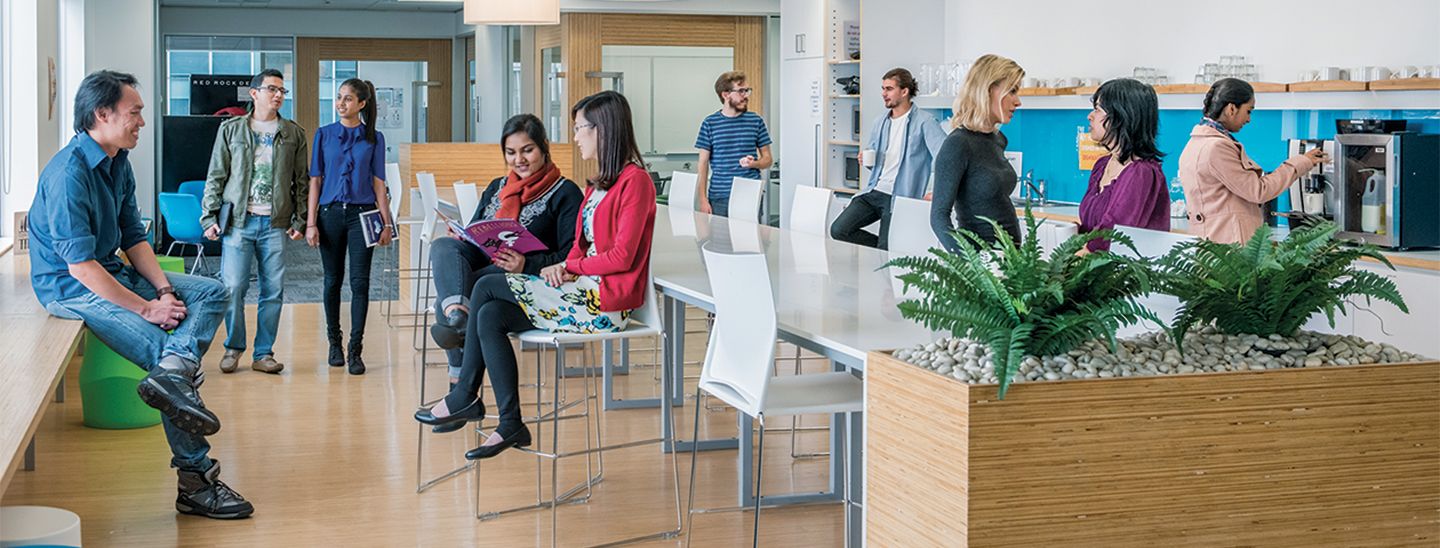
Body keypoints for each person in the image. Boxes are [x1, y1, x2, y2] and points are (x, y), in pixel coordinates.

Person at [27, 70, 251, 519]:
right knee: (163, 360)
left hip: (109, 270)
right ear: (102, 114)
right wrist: (149, 308)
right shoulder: (69, 173)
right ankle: (196, 483)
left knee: (211, 293)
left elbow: (133, 237)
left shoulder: (118, 162)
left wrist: (164, 289)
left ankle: (175, 370)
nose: (142, 122)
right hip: (70, 288)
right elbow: (80, 267)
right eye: (135, 113)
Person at [414, 90, 657, 461]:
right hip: (579, 289)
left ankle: (464, 392)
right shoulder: (599, 184)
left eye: (579, 128)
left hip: (603, 302)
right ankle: (510, 422)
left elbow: (621, 256)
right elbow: (581, 246)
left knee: (487, 286)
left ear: (602, 129)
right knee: (489, 314)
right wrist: (569, 265)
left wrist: (567, 267)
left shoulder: (635, 181)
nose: (575, 137)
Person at [426, 114, 583, 434]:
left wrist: (526, 264)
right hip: (487, 268)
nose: (519, 159)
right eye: (511, 152)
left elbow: (570, 257)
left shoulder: (565, 192)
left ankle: (459, 382)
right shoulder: (498, 187)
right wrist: (463, 236)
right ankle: (458, 320)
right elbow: (476, 232)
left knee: (467, 290)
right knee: (444, 247)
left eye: (527, 150)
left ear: (544, 148)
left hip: (527, 282)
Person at [200, 68, 309, 375]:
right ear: (254, 93)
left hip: (275, 223)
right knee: (233, 287)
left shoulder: (293, 133)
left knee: (272, 290)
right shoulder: (231, 130)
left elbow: (302, 181)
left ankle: (263, 353)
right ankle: (234, 347)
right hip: (239, 222)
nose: (278, 95)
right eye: (272, 89)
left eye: (282, 91)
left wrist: (300, 219)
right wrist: (208, 216)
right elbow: (216, 175)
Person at [306, 78, 394, 375]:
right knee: (332, 280)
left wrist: (386, 222)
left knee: (360, 283)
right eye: (339, 97)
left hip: (363, 216)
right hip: (329, 214)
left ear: (362, 104)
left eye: (347, 99)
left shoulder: (374, 138)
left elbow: (379, 183)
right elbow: (315, 181)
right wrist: (310, 222)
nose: (341, 103)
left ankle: (355, 350)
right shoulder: (324, 134)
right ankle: (335, 343)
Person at [1178, 78, 1328, 244]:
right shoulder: (1217, 147)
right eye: (1248, 111)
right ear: (1231, 108)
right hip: (1229, 244)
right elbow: (1258, 191)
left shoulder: (1195, 143)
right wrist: (1301, 162)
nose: (1249, 119)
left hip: (1212, 243)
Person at [830, 68, 947, 249]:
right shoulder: (880, 122)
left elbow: (946, 158)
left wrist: (938, 190)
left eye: (889, 89)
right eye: (883, 89)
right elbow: (876, 160)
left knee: (885, 250)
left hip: (901, 196)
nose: (884, 94)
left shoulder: (925, 121)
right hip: (875, 190)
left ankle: (886, 249)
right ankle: (885, 248)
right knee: (839, 230)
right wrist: (866, 160)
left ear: (905, 91)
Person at [931, 54, 1025, 251]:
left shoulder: (998, 139)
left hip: (1011, 260)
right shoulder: (958, 143)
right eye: (1012, 91)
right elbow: (938, 217)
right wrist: (969, 261)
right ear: (988, 90)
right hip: (981, 262)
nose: (1018, 102)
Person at [1076, 78, 1171, 254]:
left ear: (1121, 116)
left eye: (1097, 109)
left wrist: (1078, 256)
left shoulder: (1142, 172)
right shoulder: (1102, 165)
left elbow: (1114, 232)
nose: (1090, 116)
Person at [694, 70, 773, 218]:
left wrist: (754, 164)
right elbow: (703, 163)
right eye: (741, 91)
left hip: (750, 194)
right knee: (720, 234)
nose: (746, 95)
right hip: (720, 196)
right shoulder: (710, 123)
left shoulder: (756, 121)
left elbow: (768, 159)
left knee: (750, 234)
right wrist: (702, 199)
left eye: (747, 91)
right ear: (726, 95)